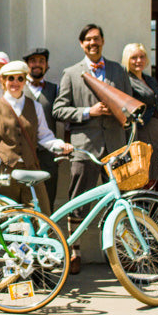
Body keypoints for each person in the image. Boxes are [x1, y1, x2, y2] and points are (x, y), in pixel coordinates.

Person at [53, 24, 129, 274]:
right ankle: (74, 252)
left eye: (96, 39)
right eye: (87, 40)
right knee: (78, 201)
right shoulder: (71, 73)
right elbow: (59, 110)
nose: (92, 43)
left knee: (117, 202)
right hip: (84, 147)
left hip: (115, 147)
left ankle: (118, 252)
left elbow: (127, 104)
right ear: (81, 44)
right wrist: (89, 111)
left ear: (103, 41)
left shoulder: (118, 70)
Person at [0, 61, 72, 215]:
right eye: (11, 78)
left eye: (20, 79)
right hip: (5, 171)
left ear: (25, 81)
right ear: (3, 81)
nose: (15, 83)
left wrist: (59, 145)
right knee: (6, 219)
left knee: (41, 217)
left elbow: (44, 135)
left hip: (31, 169)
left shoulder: (35, 106)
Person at [121, 43, 158, 186]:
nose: (138, 61)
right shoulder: (126, 80)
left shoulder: (150, 79)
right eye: (134, 57)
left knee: (156, 169)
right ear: (127, 59)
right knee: (143, 169)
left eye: (142, 57)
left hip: (155, 130)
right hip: (140, 130)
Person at [23, 47, 62, 204]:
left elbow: (63, 122)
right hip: (24, 152)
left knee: (48, 196)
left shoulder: (55, 89)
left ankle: (48, 228)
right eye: (33, 61)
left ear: (47, 65)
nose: (37, 64)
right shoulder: (17, 88)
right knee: (25, 196)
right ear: (26, 65)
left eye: (41, 61)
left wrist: (60, 149)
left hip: (48, 154)